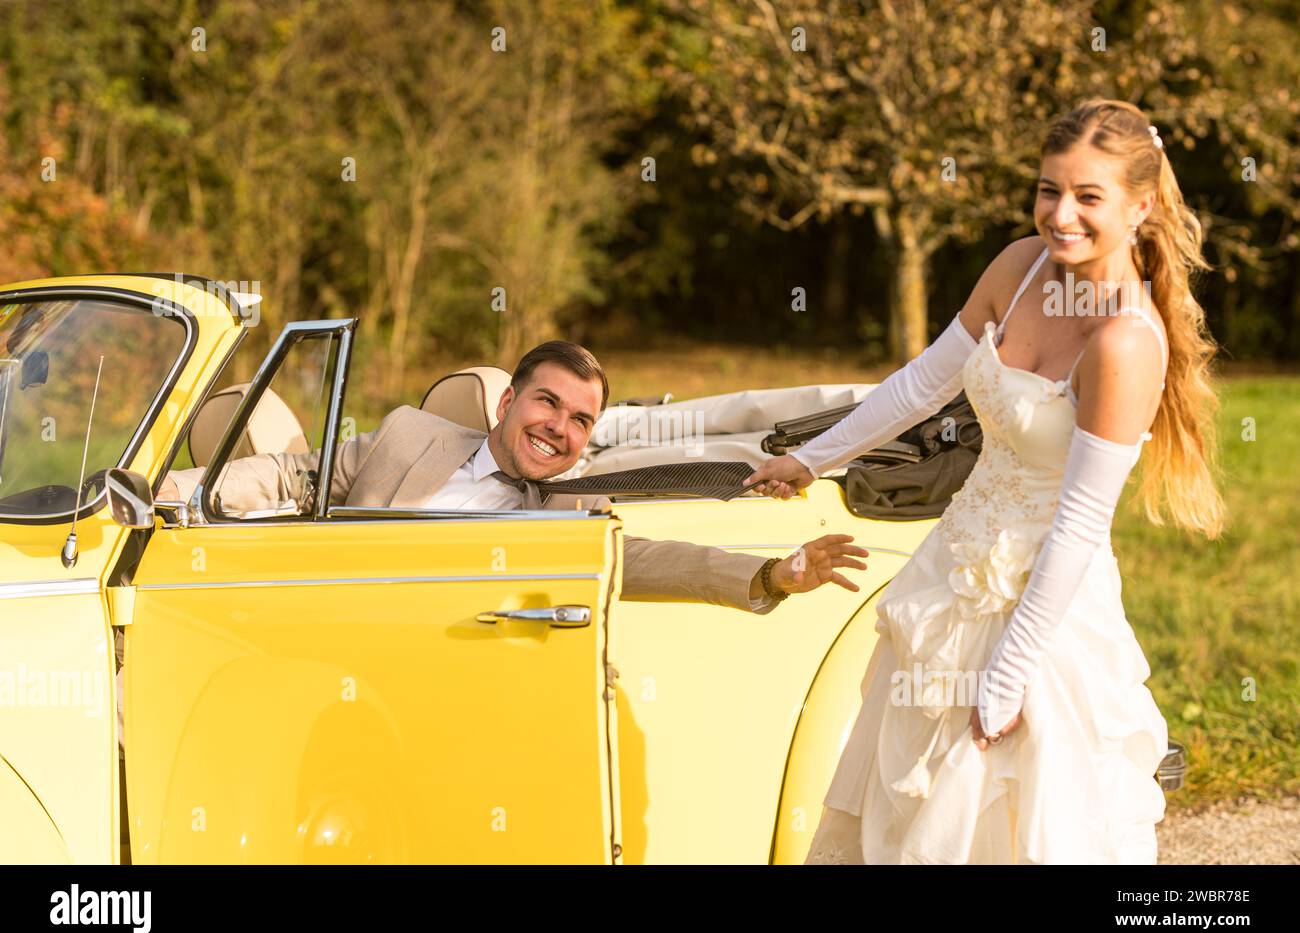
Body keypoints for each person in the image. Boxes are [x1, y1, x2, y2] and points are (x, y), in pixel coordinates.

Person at [745, 99, 1225, 864]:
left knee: (1003, 815)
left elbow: (1078, 525)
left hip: (1042, 610)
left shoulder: (1127, 341)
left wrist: (1008, 676)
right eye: (1047, 189)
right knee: (900, 801)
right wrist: (812, 458)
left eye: (1087, 197)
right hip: (950, 573)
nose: (1060, 215)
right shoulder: (1017, 265)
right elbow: (922, 385)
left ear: (1140, 207)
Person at [122, 340, 869, 747]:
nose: (560, 428)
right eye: (548, 402)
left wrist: (771, 574)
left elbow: (639, 562)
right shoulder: (410, 436)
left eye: (581, 420)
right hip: (332, 658)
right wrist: (174, 495)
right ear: (509, 402)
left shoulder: (580, 502)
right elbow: (296, 476)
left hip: (459, 691)